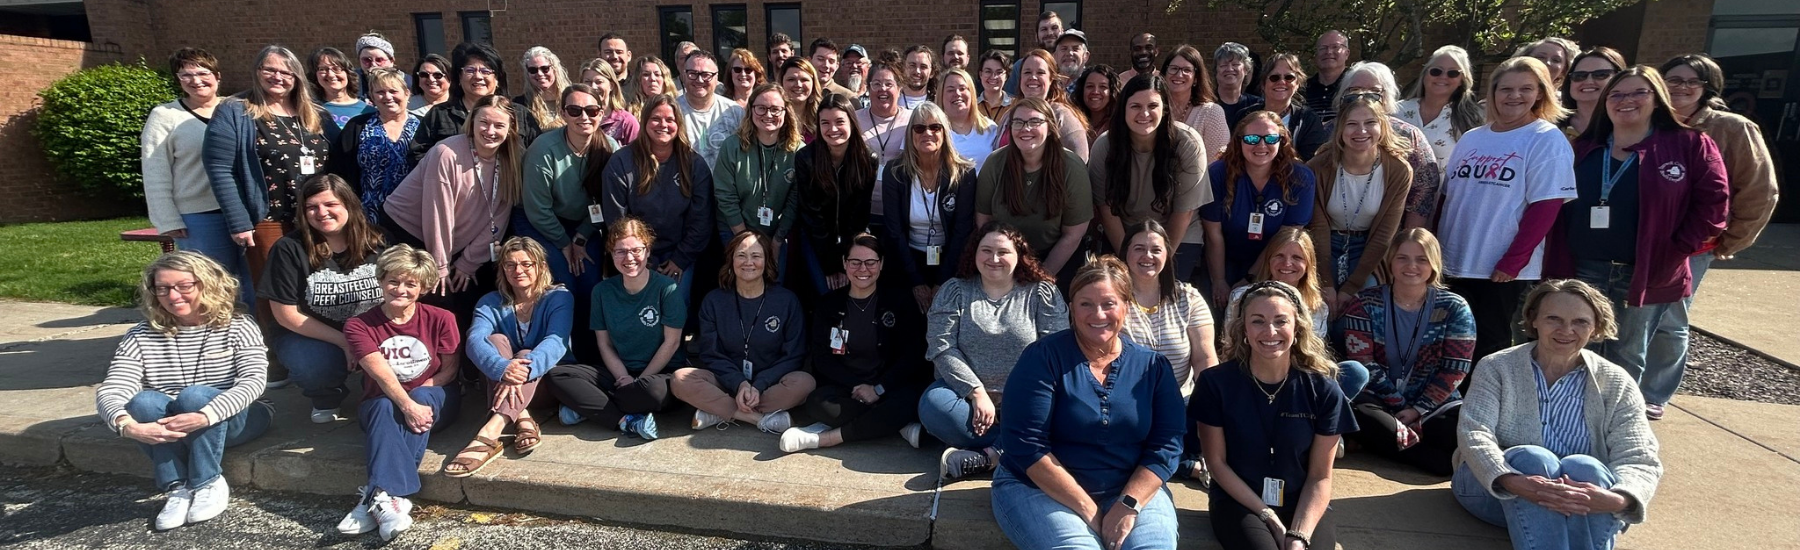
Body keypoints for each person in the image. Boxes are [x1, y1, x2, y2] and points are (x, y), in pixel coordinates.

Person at [1545, 66, 1728, 420]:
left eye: (1638, 93)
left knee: (1628, 354)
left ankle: (1616, 427)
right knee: (1577, 348)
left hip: (1647, 270)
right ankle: (1568, 421)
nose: (1626, 101)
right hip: (1584, 267)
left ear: (1656, 98)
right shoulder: (1585, 148)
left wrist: (1676, 250)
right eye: (1617, 95)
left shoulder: (1689, 145)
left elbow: (1714, 205)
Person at [1452, 279, 1663, 550]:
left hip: (1581, 498)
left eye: (1580, 322)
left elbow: (1639, 456)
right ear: (1533, 319)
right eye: (1554, 318)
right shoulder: (1497, 367)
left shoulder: (1616, 381)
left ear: (1596, 327)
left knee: (1587, 468)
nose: (1566, 330)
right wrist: (1512, 481)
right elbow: (1474, 434)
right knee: (1533, 457)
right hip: (1494, 487)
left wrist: (1618, 500)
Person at [991, 256, 1185, 549]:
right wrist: (1089, 509)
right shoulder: (1042, 358)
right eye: (1086, 304)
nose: (1098, 314)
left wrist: (1128, 503)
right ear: (1071, 309)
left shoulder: (1153, 367)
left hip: (1130, 488)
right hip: (1040, 489)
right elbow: (1026, 446)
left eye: (1109, 303)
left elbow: (1167, 444)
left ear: (1126, 307)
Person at [1648, 53, 1781, 421]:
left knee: (1670, 320)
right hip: (1641, 239)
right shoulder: (1650, 122)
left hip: (1693, 245)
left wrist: (1730, 240)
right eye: (1674, 80)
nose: (1682, 88)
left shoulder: (1731, 128)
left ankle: (1653, 392)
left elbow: (1760, 191)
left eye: (1693, 82)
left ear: (1708, 88)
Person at [99, 251, 271, 531]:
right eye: (163, 288)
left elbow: (253, 381)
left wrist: (205, 415)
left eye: (184, 286)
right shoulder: (140, 335)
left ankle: (207, 481)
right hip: (175, 424)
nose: (173, 296)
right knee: (141, 402)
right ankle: (177, 488)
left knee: (194, 396)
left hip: (238, 418)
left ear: (206, 284)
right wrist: (126, 426)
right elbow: (114, 387)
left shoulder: (239, 325)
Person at [1193, 281, 1356, 550]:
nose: (1270, 331)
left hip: (1303, 502)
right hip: (1240, 502)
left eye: (1281, 321)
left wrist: (1299, 535)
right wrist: (1267, 515)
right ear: (1243, 328)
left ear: (1298, 326)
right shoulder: (1215, 384)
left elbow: (1320, 477)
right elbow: (1217, 465)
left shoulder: (1323, 390)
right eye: (1258, 321)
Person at [1437, 56, 1578, 365]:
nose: (1514, 96)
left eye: (1525, 89)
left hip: (1497, 270)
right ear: (1493, 92)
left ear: (1541, 93)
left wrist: (1513, 261)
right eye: (1506, 89)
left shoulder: (1545, 139)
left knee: (1490, 344)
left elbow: (1546, 206)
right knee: (1449, 342)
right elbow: (1447, 200)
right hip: (1452, 262)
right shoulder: (1473, 138)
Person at [204, 44, 334, 371]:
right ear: (257, 71)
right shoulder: (236, 111)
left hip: (317, 218)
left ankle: (319, 353)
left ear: (297, 77)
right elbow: (219, 167)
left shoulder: (315, 113)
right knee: (275, 290)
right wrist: (238, 220)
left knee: (319, 285)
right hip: (267, 218)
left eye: (286, 71)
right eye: (270, 70)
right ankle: (275, 357)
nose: (278, 77)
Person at [336, 245, 463, 541]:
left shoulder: (442, 318)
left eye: (410, 283)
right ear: (381, 281)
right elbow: (380, 374)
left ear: (423, 287)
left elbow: (449, 371)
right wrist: (407, 405)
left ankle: (374, 496)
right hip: (382, 402)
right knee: (383, 406)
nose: (400, 289)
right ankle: (388, 498)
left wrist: (416, 397)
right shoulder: (359, 325)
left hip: (434, 397)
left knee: (419, 397)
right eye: (393, 281)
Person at [924, 222, 1070, 481]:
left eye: (1003, 252)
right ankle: (1021, 449)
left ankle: (991, 455)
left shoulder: (1041, 293)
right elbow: (941, 348)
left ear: (1019, 256)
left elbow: (1055, 351)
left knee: (1066, 407)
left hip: (1028, 400)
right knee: (933, 405)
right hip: (968, 402)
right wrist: (976, 392)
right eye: (986, 250)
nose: (994, 259)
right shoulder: (954, 291)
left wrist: (1021, 397)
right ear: (974, 253)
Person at [1340, 228, 1476, 475]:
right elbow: (1363, 363)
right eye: (1402, 257)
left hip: (1433, 406)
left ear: (1433, 264)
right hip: (1378, 402)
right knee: (1357, 414)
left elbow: (1455, 368)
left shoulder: (1454, 307)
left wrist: (1417, 410)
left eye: (1421, 259)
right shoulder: (1365, 302)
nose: (1411, 266)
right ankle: (1432, 460)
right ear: (1390, 261)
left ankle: (1386, 442)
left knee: (1454, 430)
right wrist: (1397, 403)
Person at [780, 233, 932, 452]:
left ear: (881, 265)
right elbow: (822, 358)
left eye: (870, 262)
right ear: (844, 263)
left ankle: (827, 438)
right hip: (848, 390)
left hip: (890, 387)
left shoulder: (899, 301)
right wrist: (857, 388)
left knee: (914, 399)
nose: (863, 269)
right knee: (817, 403)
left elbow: (913, 354)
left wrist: (879, 388)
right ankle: (897, 426)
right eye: (855, 262)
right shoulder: (828, 305)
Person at [382, 94, 524, 326]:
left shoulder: (510, 159)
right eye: (484, 123)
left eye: (499, 125)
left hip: (461, 237)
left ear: (510, 129)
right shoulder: (447, 153)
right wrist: (439, 267)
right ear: (472, 122)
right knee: (439, 297)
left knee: (469, 297)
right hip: (411, 231)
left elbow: (498, 216)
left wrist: (468, 262)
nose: (490, 131)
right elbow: (438, 214)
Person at [261, 174, 386, 424]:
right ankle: (327, 394)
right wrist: (346, 342)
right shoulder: (288, 249)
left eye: (330, 204)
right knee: (314, 365)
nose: (321, 212)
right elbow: (286, 314)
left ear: (348, 205)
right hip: (310, 334)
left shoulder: (379, 241)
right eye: (312, 207)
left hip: (370, 328)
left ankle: (377, 388)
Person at [444, 238, 572, 476]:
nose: (518, 270)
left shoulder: (559, 297)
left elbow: (556, 341)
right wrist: (503, 368)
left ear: (540, 266)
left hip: (541, 386)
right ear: (502, 269)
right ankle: (522, 417)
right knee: (494, 341)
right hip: (501, 382)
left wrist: (521, 370)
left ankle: (492, 429)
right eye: (510, 265)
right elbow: (474, 340)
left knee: (525, 353)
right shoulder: (490, 302)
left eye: (526, 263)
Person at [548, 217, 686, 438]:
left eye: (636, 250)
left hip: (657, 374)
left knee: (655, 393)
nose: (629, 258)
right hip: (618, 373)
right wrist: (623, 377)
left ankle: (590, 406)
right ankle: (627, 420)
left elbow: (672, 343)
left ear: (648, 251)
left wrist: (639, 380)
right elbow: (604, 343)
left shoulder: (666, 288)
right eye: (620, 251)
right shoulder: (602, 291)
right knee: (558, 375)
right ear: (611, 254)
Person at [674, 230, 815, 433]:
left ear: (767, 261)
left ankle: (718, 410)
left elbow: (794, 355)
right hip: (725, 382)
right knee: (681, 379)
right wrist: (739, 383)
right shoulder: (714, 301)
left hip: (770, 384)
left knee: (805, 383)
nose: (748, 262)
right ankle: (758, 418)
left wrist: (758, 385)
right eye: (741, 255)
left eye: (756, 256)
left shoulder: (787, 301)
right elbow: (710, 354)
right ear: (731, 260)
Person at [518, 83, 620, 365]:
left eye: (591, 110)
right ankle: (558, 357)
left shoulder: (609, 148)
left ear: (602, 113)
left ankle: (590, 359)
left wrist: (581, 238)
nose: (583, 117)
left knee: (590, 284)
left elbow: (605, 202)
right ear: (563, 113)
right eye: (575, 110)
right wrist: (565, 245)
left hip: (584, 224)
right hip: (541, 223)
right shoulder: (543, 149)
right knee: (563, 284)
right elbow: (537, 208)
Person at [143, 48, 247, 303]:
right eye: (186, 74)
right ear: (178, 80)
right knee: (212, 283)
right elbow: (155, 170)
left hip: (244, 211)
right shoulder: (165, 116)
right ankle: (215, 335)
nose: (196, 80)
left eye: (202, 72)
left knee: (253, 281)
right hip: (199, 215)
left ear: (217, 76)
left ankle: (256, 337)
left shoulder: (239, 109)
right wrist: (167, 220)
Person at [1219, 227, 1370, 399]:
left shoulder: (1318, 307)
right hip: (1250, 377)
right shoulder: (1241, 296)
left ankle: (1319, 418)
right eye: (1279, 256)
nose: (1287, 264)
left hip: (1298, 380)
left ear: (1308, 265)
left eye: (1297, 258)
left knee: (1355, 372)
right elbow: (1230, 348)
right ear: (1269, 260)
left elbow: (1310, 356)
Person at [1090, 73, 1212, 277]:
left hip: (1177, 236)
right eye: (1136, 106)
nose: (1144, 113)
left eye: (1152, 106)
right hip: (1123, 235)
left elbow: (1184, 212)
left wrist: (1159, 261)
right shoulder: (1105, 146)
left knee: (1165, 295)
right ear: (1123, 109)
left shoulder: (1188, 143)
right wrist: (1128, 258)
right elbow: (1106, 209)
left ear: (1164, 109)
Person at [600, 95, 715, 303]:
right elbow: (617, 220)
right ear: (644, 122)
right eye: (655, 119)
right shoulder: (621, 163)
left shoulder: (694, 164)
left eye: (670, 120)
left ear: (678, 124)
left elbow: (701, 220)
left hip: (680, 253)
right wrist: (644, 259)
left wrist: (679, 260)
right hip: (635, 254)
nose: (663, 125)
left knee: (675, 306)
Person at [1306, 94, 1413, 308]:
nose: (1361, 131)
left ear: (1382, 126)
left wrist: (1351, 287)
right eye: (1352, 124)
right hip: (1326, 246)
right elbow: (1318, 226)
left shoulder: (1398, 171)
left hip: (1369, 249)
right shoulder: (1318, 167)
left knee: (1361, 307)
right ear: (1340, 130)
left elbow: (1384, 234)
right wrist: (1326, 283)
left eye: (1370, 123)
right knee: (1321, 307)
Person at [1201, 111, 1317, 299]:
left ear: (1282, 140)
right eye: (1252, 138)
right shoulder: (1218, 173)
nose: (1261, 145)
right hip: (1224, 257)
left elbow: (1286, 239)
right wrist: (1219, 281)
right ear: (1239, 140)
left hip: (1274, 260)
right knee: (1218, 304)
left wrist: (1251, 278)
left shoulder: (1300, 178)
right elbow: (1213, 234)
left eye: (1271, 138)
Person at [979, 97, 1094, 286]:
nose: (1025, 128)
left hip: (1057, 256)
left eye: (1034, 122)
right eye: (1018, 122)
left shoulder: (1072, 167)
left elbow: (1073, 234)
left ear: (1049, 128)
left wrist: (1040, 275)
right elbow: (984, 219)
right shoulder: (995, 163)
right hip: (1001, 256)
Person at [883, 101, 981, 311]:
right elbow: (894, 231)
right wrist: (916, 282)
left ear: (944, 132)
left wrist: (942, 281)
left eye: (935, 127)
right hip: (906, 259)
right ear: (911, 134)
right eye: (919, 128)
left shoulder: (964, 174)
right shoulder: (894, 172)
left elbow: (962, 231)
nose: (927, 133)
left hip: (950, 259)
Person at [1327, 62, 1443, 230]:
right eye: (1355, 91)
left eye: (1374, 92)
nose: (1363, 98)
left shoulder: (1409, 136)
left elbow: (1424, 191)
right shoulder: (1327, 132)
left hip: (1390, 237)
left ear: (1387, 97)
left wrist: (1406, 241)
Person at [1120, 221, 1218, 394]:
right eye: (1139, 249)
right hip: (1124, 398)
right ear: (1126, 252)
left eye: (1156, 250)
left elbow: (1205, 360)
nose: (1148, 256)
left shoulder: (1189, 298)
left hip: (1180, 399)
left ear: (1167, 254)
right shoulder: (1111, 299)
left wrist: (1208, 402)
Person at [713, 83, 804, 268]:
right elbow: (725, 197)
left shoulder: (797, 152)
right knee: (743, 278)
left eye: (775, 109)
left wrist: (777, 241)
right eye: (761, 108)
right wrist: (745, 239)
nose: (768, 115)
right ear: (751, 110)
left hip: (775, 232)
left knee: (774, 282)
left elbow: (795, 201)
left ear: (785, 112)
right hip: (735, 228)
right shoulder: (731, 147)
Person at [797, 93, 879, 294]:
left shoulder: (868, 158)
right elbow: (812, 215)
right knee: (824, 290)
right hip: (816, 237)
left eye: (839, 122)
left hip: (852, 234)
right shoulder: (806, 158)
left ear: (851, 122)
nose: (832, 129)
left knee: (856, 286)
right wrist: (831, 265)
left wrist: (846, 260)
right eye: (825, 123)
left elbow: (860, 214)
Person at [411, 42, 540, 167]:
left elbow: (538, 155)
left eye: (486, 71)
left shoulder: (519, 114)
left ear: (497, 79)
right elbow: (417, 156)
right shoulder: (439, 115)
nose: (478, 76)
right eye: (470, 70)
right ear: (459, 78)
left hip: (510, 186)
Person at [328, 67, 419, 225]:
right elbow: (339, 170)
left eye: (393, 91)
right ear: (372, 96)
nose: (388, 97)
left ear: (407, 93)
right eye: (380, 92)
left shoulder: (424, 126)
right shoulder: (357, 126)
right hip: (368, 214)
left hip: (414, 212)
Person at [1398, 45, 1485, 168]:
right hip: (1392, 186)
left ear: (1462, 80)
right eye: (1436, 71)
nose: (1443, 77)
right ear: (1425, 74)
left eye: (1453, 73)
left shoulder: (1474, 119)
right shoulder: (1397, 111)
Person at [997, 49, 1091, 161]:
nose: (1033, 77)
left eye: (1040, 72)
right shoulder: (1008, 116)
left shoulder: (1062, 115)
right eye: (1027, 72)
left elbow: (1080, 160)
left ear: (1051, 79)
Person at [1231, 53, 1327, 160]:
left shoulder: (1308, 120)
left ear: (1297, 84)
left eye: (1289, 77)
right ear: (1263, 84)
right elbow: (1233, 154)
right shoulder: (1244, 116)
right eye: (1274, 77)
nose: (1281, 82)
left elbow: (1311, 162)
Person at [858, 62, 914, 224]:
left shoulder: (912, 120)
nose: (882, 89)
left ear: (899, 88)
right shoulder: (854, 119)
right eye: (876, 84)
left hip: (901, 209)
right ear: (868, 88)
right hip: (863, 209)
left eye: (889, 84)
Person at [1163, 44, 1230, 159]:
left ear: (1196, 78)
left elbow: (1217, 162)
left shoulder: (1211, 113)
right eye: (1174, 68)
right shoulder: (1153, 109)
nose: (1179, 75)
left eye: (1187, 70)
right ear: (1164, 73)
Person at [679, 51, 740, 165]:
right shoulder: (671, 111)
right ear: (683, 75)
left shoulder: (735, 112)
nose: (700, 80)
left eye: (706, 75)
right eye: (693, 73)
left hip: (724, 182)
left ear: (716, 77)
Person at [937, 68, 1001, 172]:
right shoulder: (933, 130)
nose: (957, 93)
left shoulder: (990, 128)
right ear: (941, 95)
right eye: (950, 90)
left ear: (971, 93)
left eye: (962, 88)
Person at [1558, 47, 1628, 140]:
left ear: (1619, 78)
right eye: (1579, 76)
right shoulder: (1551, 126)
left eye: (1601, 74)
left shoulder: (1633, 126)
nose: (1588, 81)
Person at [574, 57, 641, 144]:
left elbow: (636, 155)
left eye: (599, 82)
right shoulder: (575, 118)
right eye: (587, 82)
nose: (593, 87)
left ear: (611, 86)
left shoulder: (626, 121)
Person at [1004, 11, 1066, 97]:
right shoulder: (1020, 66)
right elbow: (1009, 98)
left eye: (1054, 28)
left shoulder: (1069, 65)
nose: (1049, 33)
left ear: (1062, 32)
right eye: (1044, 29)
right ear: (1036, 36)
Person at [310, 47, 371, 135]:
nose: (331, 75)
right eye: (322, 69)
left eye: (336, 68)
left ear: (347, 73)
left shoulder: (368, 111)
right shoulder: (310, 110)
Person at [515, 46, 571, 131]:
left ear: (554, 69)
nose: (540, 74)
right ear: (527, 73)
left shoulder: (571, 99)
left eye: (545, 69)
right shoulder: (520, 106)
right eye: (533, 70)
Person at [1304, 30, 1351, 122]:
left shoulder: (1354, 85)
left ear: (1347, 53)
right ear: (1316, 54)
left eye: (1335, 47)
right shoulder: (1303, 89)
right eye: (1323, 48)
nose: (1328, 52)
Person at [1213, 43, 1262, 126]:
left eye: (1236, 64)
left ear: (1246, 70)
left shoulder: (1258, 105)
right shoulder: (1205, 102)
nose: (1229, 69)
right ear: (1216, 71)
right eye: (1223, 65)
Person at [776, 57, 823, 139]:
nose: (798, 85)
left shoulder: (821, 117)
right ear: (781, 83)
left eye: (804, 80)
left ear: (813, 85)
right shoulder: (772, 118)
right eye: (791, 79)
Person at [1074, 64, 1119, 147]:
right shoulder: (1073, 122)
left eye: (1103, 87)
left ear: (1112, 92)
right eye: (1090, 86)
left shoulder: (1118, 125)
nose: (1095, 91)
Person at [1516, 37, 1580, 93]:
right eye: (1540, 57)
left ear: (1563, 71)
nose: (1547, 63)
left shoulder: (1566, 104)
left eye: (1556, 60)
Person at [976, 50, 1013, 122]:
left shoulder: (1015, 106)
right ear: (981, 74)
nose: (993, 77)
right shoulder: (971, 106)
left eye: (999, 72)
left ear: (1006, 76)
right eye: (988, 71)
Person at [899, 45, 936, 109]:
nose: (917, 71)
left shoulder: (938, 103)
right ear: (903, 68)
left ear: (932, 72)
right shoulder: (891, 101)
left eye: (923, 67)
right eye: (912, 65)